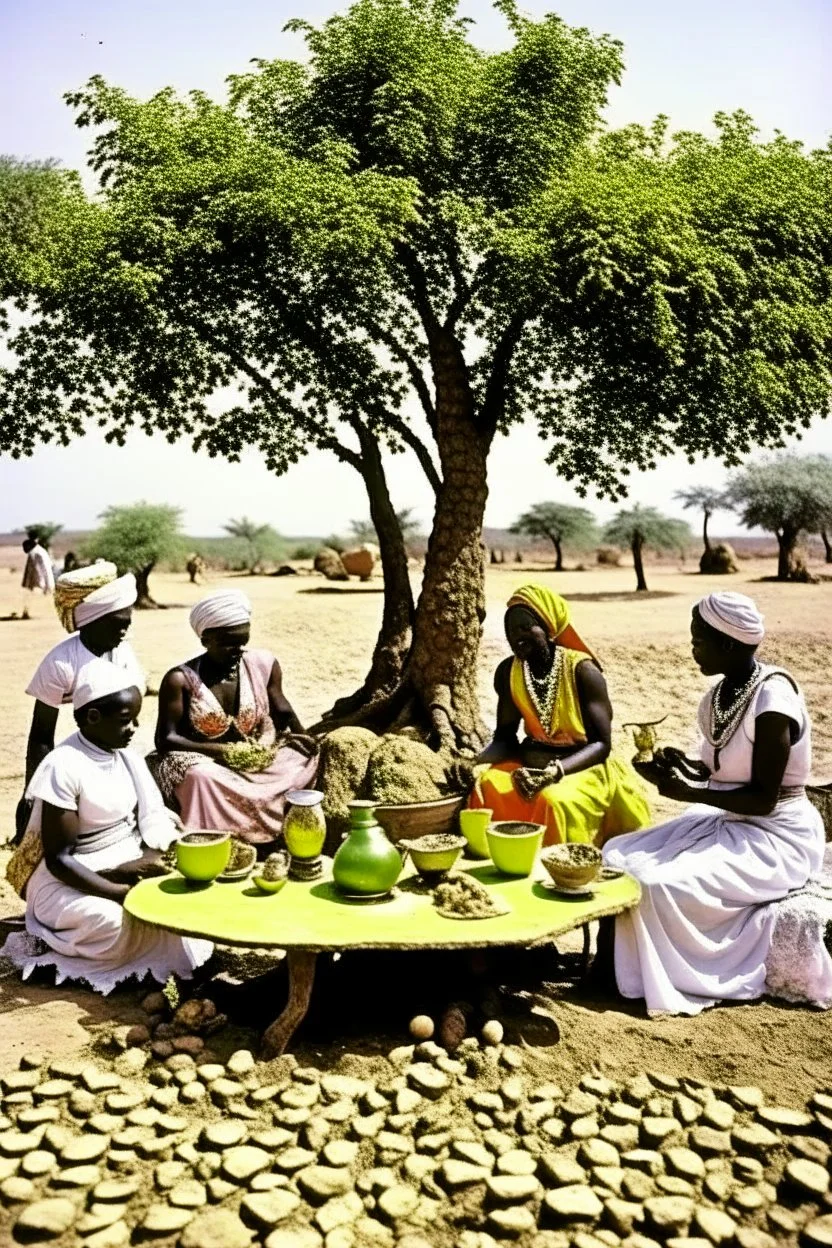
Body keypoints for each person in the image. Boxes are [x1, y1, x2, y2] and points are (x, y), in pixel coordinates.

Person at [603, 591, 832, 1015]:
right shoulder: (717, 698)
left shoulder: (772, 700)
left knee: (657, 885)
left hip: (779, 836)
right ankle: (615, 968)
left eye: (699, 641)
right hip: (730, 821)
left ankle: (660, 979)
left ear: (728, 643)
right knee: (617, 854)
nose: (692, 649)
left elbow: (763, 798)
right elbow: (718, 770)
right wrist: (677, 766)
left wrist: (689, 793)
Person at [3, 662, 212, 993]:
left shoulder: (123, 753)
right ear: (93, 718)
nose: (134, 728)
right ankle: (68, 948)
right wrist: (120, 892)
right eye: (126, 720)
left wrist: (145, 861)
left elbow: (150, 817)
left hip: (122, 859)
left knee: (184, 902)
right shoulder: (64, 766)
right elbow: (60, 860)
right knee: (116, 924)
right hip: (68, 881)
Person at [469, 584, 649, 845]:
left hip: (582, 767)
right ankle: (501, 856)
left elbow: (601, 745)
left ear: (548, 628)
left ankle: (552, 866)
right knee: (487, 785)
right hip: (531, 763)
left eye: (525, 627)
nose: (516, 636)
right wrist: (474, 761)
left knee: (551, 800)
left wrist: (555, 773)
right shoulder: (509, 672)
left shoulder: (583, 671)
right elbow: (506, 739)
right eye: (510, 630)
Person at [150, 589, 318, 850]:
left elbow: (280, 706)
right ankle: (217, 843)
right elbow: (166, 739)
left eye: (242, 642)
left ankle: (271, 837)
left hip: (253, 753)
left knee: (304, 759)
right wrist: (219, 751)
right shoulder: (180, 680)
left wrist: (302, 733)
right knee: (201, 778)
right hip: (200, 757)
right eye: (228, 643)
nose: (237, 651)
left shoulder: (262, 664)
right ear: (206, 640)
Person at [22, 566, 144, 799]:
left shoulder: (123, 653)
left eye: (127, 622)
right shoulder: (60, 663)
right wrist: (32, 794)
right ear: (91, 622)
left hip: (118, 749)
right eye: (118, 624)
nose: (125, 630)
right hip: (74, 757)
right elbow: (41, 736)